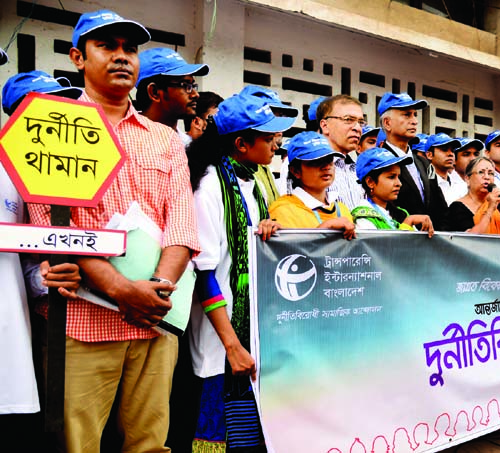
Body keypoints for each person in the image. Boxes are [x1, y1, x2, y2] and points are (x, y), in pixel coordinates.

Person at [27, 10, 200, 452]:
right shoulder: (51, 128)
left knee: (149, 444)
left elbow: (181, 223)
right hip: (81, 321)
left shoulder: (164, 139)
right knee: (76, 443)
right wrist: (123, 291)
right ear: (77, 58)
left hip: (155, 322)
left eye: (130, 48)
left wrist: (158, 288)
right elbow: (53, 227)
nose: (122, 57)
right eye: (107, 46)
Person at [186, 93, 292, 451]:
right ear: (241, 144)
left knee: (248, 436)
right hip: (221, 341)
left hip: (251, 336)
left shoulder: (253, 184)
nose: (275, 143)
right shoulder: (211, 186)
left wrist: (268, 229)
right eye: (267, 138)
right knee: (216, 437)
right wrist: (231, 345)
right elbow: (204, 273)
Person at [0, 71, 84, 453]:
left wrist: (44, 277)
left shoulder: (25, 177)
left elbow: (28, 267)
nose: (61, 115)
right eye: (50, 105)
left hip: (13, 349)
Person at [378, 92, 448, 229]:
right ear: (387, 123)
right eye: (406, 115)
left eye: (415, 115)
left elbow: (441, 209)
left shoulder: (425, 164)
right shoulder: (379, 163)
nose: (415, 121)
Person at [268, 131, 356, 238]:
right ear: (296, 171)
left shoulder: (342, 209)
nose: (326, 167)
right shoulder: (283, 211)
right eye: (316, 161)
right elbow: (289, 252)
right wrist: (322, 230)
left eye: (329, 160)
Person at [350, 147, 434, 234]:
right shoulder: (362, 218)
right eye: (391, 177)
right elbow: (379, 247)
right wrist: (408, 223)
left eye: (399, 177)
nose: (399, 183)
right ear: (370, 182)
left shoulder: (401, 213)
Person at [135, 47, 209, 145]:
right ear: (154, 92)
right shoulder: (126, 142)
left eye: (193, 86)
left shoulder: (186, 145)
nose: (195, 94)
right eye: (186, 85)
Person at [317, 95, 367, 208]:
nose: (358, 128)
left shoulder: (357, 170)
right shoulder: (305, 164)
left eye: (361, 122)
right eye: (348, 120)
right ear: (325, 125)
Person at [446, 156, 500, 235]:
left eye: (491, 173)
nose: (487, 177)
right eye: (481, 172)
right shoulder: (457, 207)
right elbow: (471, 239)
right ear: (467, 179)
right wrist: (490, 209)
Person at [425, 133, 462, 205]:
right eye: (444, 150)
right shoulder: (425, 184)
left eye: (452, 150)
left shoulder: (460, 183)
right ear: (429, 155)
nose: (450, 154)